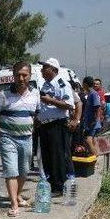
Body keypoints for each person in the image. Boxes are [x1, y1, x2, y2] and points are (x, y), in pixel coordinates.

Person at [0, 61, 41, 217]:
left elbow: (36, 115)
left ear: (29, 76)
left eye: (24, 75)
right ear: (13, 76)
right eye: (17, 75)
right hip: (8, 138)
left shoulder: (35, 94)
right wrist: (1, 131)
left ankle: (18, 195)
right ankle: (13, 204)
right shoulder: (3, 96)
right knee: (11, 171)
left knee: (24, 171)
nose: (21, 78)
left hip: (26, 138)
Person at [36, 57, 75, 195]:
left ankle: (59, 186)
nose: (42, 70)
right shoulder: (45, 85)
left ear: (53, 69)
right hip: (45, 125)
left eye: (45, 67)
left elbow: (69, 105)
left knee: (58, 155)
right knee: (47, 156)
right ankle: (52, 185)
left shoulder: (61, 83)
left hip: (57, 124)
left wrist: (50, 100)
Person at [80, 76, 102, 156]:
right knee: (92, 140)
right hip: (89, 122)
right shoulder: (90, 94)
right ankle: (95, 155)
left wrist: (95, 120)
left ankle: (94, 157)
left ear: (85, 84)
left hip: (93, 122)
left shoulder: (93, 94)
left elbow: (98, 107)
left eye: (83, 83)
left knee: (88, 140)